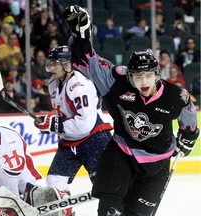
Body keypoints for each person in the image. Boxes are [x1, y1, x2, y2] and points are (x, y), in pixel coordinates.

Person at [63, 5, 199, 215]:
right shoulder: (116, 82)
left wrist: (188, 134)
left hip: (157, 163)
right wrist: (81, 36)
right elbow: (88, 62)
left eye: (148, 76)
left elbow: (188, 110)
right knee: (110, 211)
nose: (143, 82)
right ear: (129, 76)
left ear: (157, 74)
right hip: (122, 154)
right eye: (137, 77)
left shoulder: (174, 96)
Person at [34, 45, 113, 216]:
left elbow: (85, 124)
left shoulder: (79, 85)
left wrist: (55, 125)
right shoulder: (53, 84)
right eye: (51, 64)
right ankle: (65, 212)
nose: (51, 68)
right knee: (55, 181)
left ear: (68, 65)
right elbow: (62, 115)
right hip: (70, 141)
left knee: (106, 187)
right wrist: (49, 122)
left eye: (56, 64)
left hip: (94, 139)